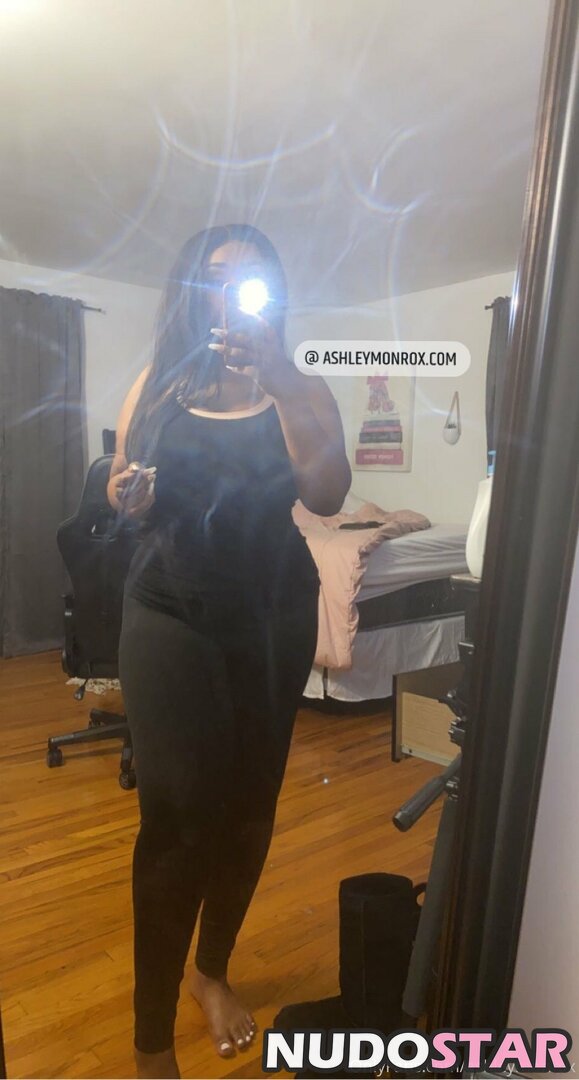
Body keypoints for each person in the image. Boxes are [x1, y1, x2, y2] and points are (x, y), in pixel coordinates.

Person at [107, 224, 351, 1079]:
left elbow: (328, 495)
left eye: (254, 281)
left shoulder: (300, 384)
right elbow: (123, 478)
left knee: (249, 809)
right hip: (168, 610)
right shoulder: (159, 381)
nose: (233, 293)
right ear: (193, 290)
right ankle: (149, 1042)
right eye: (217, 277)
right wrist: (126, 494)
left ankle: (209, 973)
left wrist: (279, 380)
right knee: (175, 821)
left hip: (272, 614)